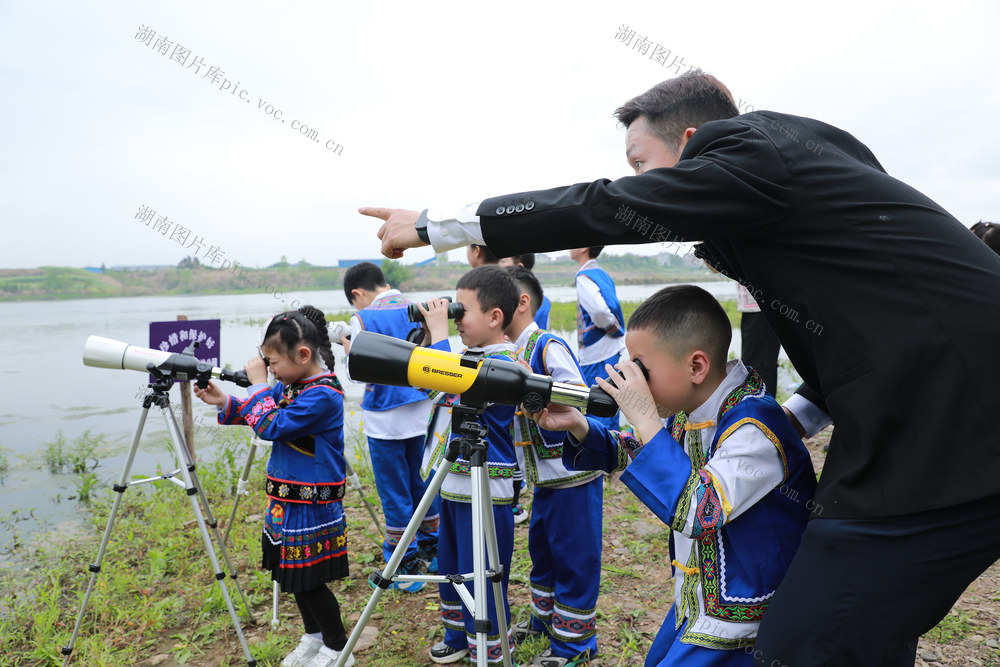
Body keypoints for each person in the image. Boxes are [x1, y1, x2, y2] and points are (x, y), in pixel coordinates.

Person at [362, 70, 1000, 665]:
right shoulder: (801, 172)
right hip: (930, 418)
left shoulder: (752, 149)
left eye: (641, 164)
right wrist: (790, 417)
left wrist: (434, 228)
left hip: (955, 425)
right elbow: (856, 337)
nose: (639, 183)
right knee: (857, 622)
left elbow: (605, 204)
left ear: (694, 142)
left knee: (811, 634)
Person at [528, 285, 816, 666]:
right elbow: (638, 451)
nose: (636, 383)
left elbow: (701, 509)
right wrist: (580, 425)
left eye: (641, 369)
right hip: (697, 600)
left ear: (696, 366)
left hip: (742, 619)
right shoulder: (691, 410)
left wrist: (645, 415)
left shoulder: (755, 427)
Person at [194, 306, 355, 667]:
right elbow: (263, 411)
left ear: (303, 354)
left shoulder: (324, 394)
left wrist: (257, 386)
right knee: (291, 575)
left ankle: (338, 647)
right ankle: (313, 638)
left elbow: (271, 424)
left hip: (312, 502)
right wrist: (225, 402)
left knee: (310, 579)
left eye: (273, 363)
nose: (270, 370)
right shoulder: (292, 384)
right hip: (286, 497)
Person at [419, 265, 519, 664]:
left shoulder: (507, 364)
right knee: (452, 567)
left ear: (496, 317)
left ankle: (492, 646)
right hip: (453, 484)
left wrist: (441, 334)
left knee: (483, 574)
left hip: (487, 489)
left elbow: (454, 383)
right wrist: (432, 335)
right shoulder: (467, 354)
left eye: (464, 311)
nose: (457, 320)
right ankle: (458, 636)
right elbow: (429, 377)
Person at [504, 266, 603, 667]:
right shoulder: (509, 350)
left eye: (495, 302)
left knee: (575, 558)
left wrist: (532, 386)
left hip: (572, 476)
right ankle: (544, 621)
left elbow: (579, 395)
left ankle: (575, 643)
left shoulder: (547, 345)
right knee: (542, 552)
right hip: (544, 481)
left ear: (521, 302)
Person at [340, 261, 438, 586]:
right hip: (422, 412)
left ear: (358, 294)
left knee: (394, 490)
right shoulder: (418, 307)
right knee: (421, 483)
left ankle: (405, 567)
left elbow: (358, 371)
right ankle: (435, 552)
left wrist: (347, 351)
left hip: (385, 419)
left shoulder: (363, 318)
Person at [570, 246, 625, 431]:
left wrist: (613, 327)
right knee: (610, 403)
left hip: (597, 351)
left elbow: (599, 311)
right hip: (610, 348)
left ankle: (602, 456)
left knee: (597, 405)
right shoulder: (601, 273)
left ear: (584, 247)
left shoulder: (585, 277)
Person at [734, 284, 781, 397]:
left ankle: (762, 413)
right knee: (754, 370)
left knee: (757, 371)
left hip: (761, 307)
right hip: (752, 307)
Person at [499, 253, 552, 330]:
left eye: (503, 261)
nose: (498, 265)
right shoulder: (544, 301)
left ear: (519, 267)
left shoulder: (510, 300)